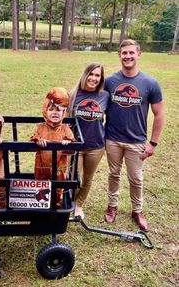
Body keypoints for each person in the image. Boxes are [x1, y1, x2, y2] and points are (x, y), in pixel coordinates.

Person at [104, 39, 165, 232]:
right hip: (112, 138)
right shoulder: (110, 82)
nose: (128, 56)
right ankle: (112, 206)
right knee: (113, 174)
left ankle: (137, 211)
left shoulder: (150, 83)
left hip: (136, 141)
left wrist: (153, 143)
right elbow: (96, 103)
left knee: (136, 179)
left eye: (132, 53)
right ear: (119, 55)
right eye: (124, 53)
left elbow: (159, 114)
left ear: (139, 54)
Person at [68, 63, 110, 219]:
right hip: (76, 145)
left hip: (96, 145)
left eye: (97, 75)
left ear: (101, 78)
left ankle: (79, 205)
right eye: (91, 74)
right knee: (74, 178)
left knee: (87, 178)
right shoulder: (72, 95)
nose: (93, 78)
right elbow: (66, 121)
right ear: (85, 75)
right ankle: (70, 201)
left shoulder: (105, 96)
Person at [30, 87, 76, 207]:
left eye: (59, 110)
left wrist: (68, 143)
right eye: (51, 110)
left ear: (63, 113)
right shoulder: (40, 127)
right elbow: (32, 140)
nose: (55, 113)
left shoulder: (66, 129)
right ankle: (40, 206)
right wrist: (38, 141)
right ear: (45, 110)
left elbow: (72, 150)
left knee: (58, 187)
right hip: (41, 165)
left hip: (59, 166)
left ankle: (56, 206)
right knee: (40, 186)